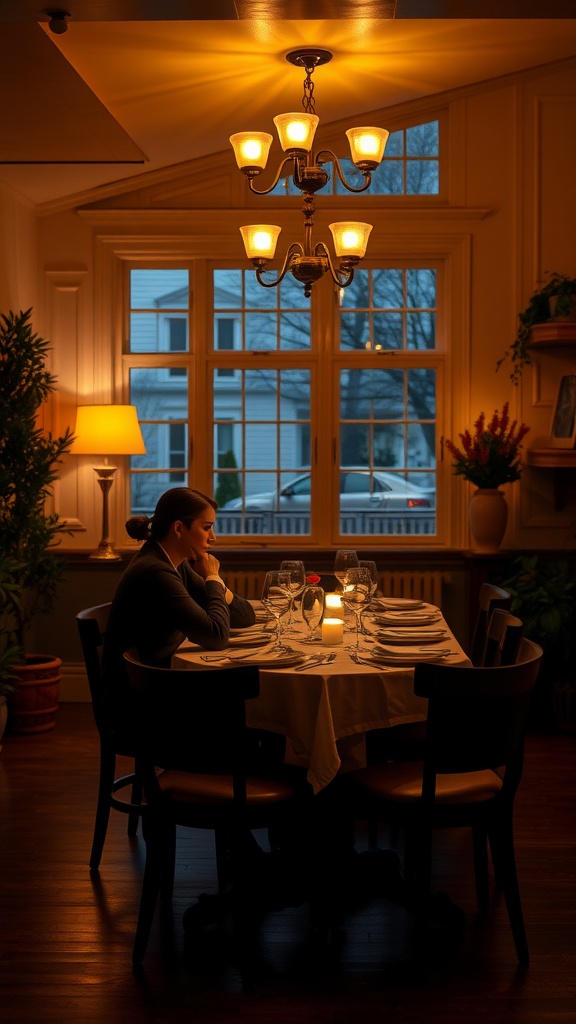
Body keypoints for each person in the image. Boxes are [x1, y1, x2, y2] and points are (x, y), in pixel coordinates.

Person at [102, 486, 255, 738]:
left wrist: (214, 583)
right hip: (140, 705)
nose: (213, 538)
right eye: (206, 527)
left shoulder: (174, 564)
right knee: (255, 724)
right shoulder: (155, 571)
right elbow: (217, 637)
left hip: (157, 687)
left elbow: (244, 616)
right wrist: (213, 577)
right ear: (179, 529)